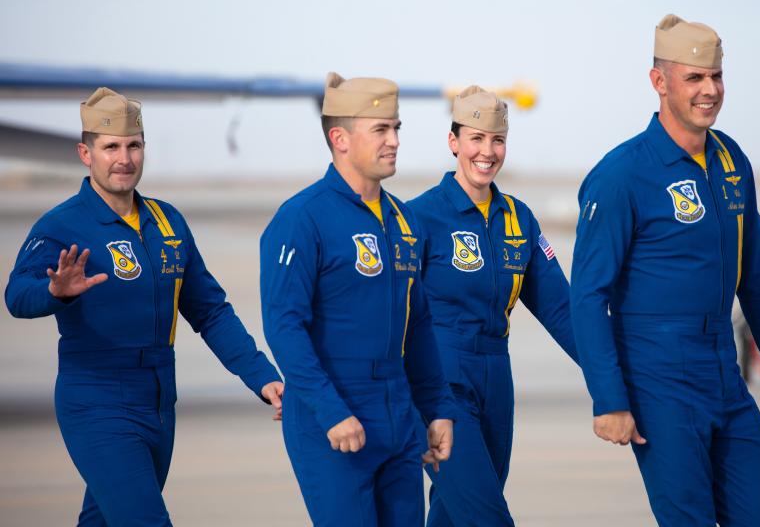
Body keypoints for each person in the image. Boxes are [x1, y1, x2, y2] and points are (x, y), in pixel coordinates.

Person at [571, 15, 760, 526]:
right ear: (659, 82)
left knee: (759, 516)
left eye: (716, 77)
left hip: (723, 372)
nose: (710, 91)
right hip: (657, 377)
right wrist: (609, 398)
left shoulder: (732, 162)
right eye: (694, 78)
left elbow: (756, 279)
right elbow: (588, 297)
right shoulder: (622, 175)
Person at [4, 88, 284, 526]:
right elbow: (16, 296)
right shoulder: (62, 225)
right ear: (85, 153)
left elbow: (210, 311)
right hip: (96, 399)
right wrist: (55, 293)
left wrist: (262, 377)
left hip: (157, 400)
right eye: (110, 146)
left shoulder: (167, 221)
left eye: (133, 145)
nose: (124, 158)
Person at [260, 72, 457, 526]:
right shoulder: (302, 219)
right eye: (381, 130)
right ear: (340, 139)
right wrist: (331, 412)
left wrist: (437, 408)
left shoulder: (404, 221)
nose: (394, 142)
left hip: (398, 417)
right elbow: (284, 327)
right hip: (334, 420)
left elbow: (419, 324)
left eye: (397, 129)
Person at [407, 85, 579, 526]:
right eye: (475, 138)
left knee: (453, 512)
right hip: (440, 381)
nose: (487, 151)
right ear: (453, 142)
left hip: (496, 379)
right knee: (487, 516)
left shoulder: (519, 219)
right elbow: (386, 308)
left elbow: (561, 310)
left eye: (497, 140)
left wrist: (613, 369)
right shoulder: (418, 218)